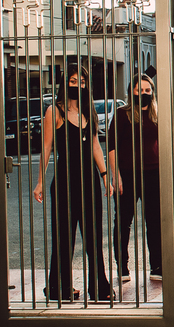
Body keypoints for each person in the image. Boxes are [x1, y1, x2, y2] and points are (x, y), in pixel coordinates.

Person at [33, 65, 114, 302]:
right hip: (65, 183)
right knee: (64, 237)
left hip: (89, 181)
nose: (77, 85)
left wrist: (105, 175)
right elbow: (46, 148)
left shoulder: (90, 112)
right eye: (72, 80)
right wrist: (39, 182)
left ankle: (99, 287)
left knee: (93, 237)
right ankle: (59, 287)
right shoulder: (54, 111)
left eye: (82, 81)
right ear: (64, 83)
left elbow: (96, 146)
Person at [108, 74, 162, 284]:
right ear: (132, 92)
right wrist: (116, 176)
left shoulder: (157, 114)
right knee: (123, 222)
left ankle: (157, 266)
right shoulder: (123, 114)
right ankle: (122, 267)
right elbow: (112, 146)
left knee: (155, 222)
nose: (144, 94)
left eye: (148, 90)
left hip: (154, 174)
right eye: (139, 90)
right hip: (127, 175)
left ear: (153, 92)